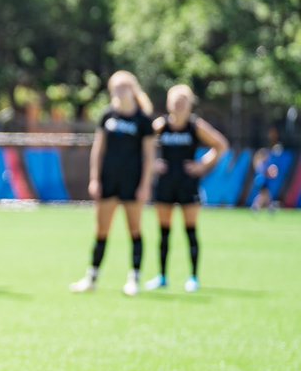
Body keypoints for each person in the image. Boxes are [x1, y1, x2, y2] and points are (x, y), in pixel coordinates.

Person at [69, 71, 156, 296]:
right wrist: (95, 178)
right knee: (101, 229)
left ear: (132, 89)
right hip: (109, 180)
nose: (119, 92)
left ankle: (134, 278)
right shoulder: (107, 115)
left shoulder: (143, 120)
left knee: (134, 229)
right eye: (115, 88)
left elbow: (149, 156)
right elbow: (98, 149)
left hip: (132, 181)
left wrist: (145, 184)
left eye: (123, 87)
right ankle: (91, 277)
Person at [145, 85, 228, 292]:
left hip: (187, 184)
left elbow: (221, 145)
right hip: (165, 184)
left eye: (183, 101)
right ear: (168, 103)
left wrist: (202, 165)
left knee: (190, 231)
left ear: (190, 104)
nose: (178, 105)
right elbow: (140, 144)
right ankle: (162, 276)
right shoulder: (161, 125)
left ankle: (193, 277)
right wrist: (152, 164)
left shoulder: (195, 126)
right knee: (164, 232)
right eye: (175, 101)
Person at [250, 126, 286, 212]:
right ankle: (257, 206)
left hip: (261, 179)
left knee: (266, 194)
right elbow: (264, 170)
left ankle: (268, 207)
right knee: (264, 194)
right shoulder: (262, 162)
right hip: (261, 179)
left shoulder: (264, 161)